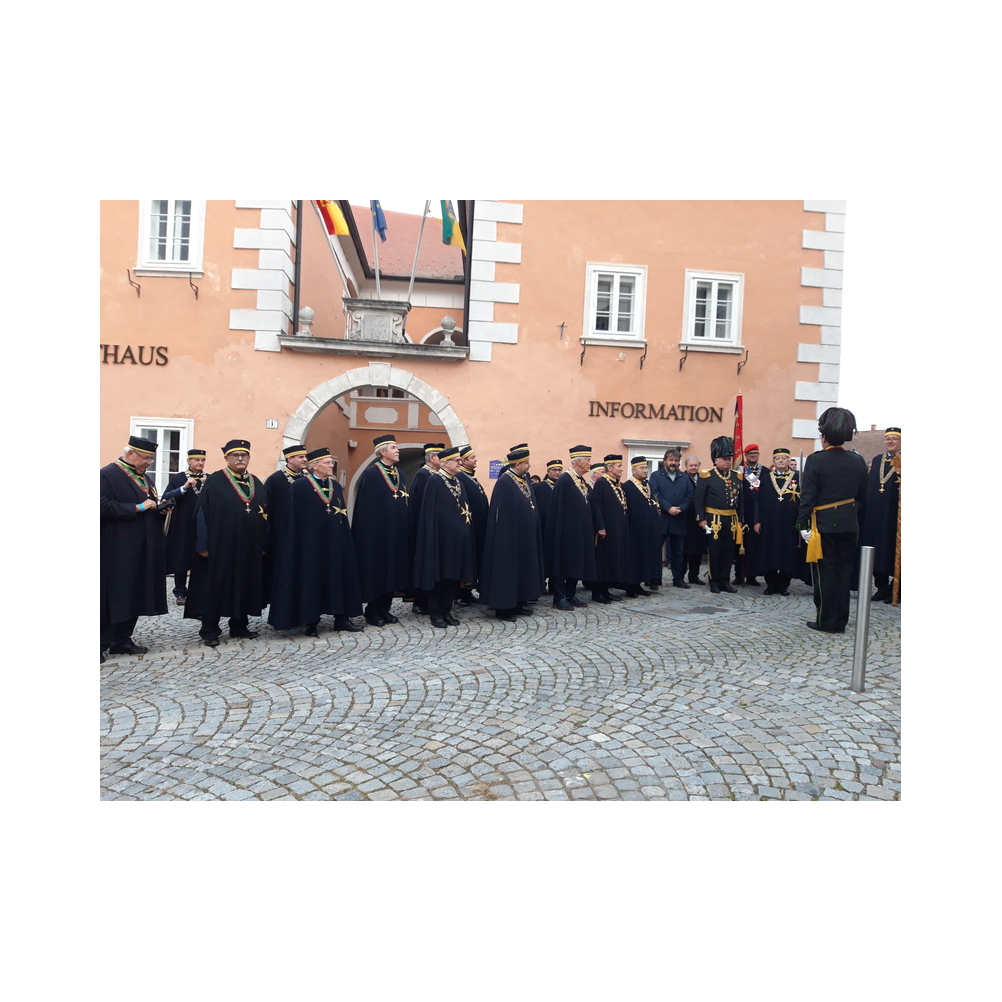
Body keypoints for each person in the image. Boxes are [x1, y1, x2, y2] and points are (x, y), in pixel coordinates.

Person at [268, 447, 363, 636]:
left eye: (331, 462)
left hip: (335, 541)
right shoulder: (300, 487)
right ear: (315, 465)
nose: (332, 465)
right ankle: (311, 621)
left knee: (340, 577)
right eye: (328, 462)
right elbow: (293, 519)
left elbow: (340, 511)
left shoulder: (335, 486)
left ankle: (342, 618)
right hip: (310, 544)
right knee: (311, 579)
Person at [183, 440, 268, 646]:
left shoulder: (256, 482)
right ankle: (210, 629)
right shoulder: (215, 481)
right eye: (235, 455)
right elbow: (201, 514)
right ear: (226, 458)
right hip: (220, 546)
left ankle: (239, 625)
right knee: (215, 586)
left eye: (244, 455)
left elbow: (265, 514)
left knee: (244, 584)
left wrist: (264, 544)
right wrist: (203, 545)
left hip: (249, 546)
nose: (240, 458)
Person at [796, 407, 869, 633]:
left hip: (823, 525)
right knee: (844, 573)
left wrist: (802, 524)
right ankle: (841, 621)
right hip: (850, 524)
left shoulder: (817, 460)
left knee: (825, 573)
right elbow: (863, 497)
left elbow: (808, 497)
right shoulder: (858, 460)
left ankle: (826, 621)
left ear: (824, 437)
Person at [100, 435, 169, 661]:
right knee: (117, 593)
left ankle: (122, 639)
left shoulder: (145, 477)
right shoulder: (108, 474)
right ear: (130, 453)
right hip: (119, 548)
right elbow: (104, 506)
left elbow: (151, 503)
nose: (149, 462)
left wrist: (159, 510)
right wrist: (138, 507)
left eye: (151, 458)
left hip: (144, 546)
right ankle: (103, 641)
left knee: (137, 591)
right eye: (146, 458)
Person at [412, 445, 476, 628]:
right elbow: (429, 513)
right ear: (445, 463)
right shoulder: (434, 481)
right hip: (440, 540)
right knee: (438, 576)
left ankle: (446, 610)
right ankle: (435, 612)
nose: (460, 463)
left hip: (457, 540)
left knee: (453, 576)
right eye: (456, 461)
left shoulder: (459, 482)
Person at [351, 434, 411, 627]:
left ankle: (385, 609)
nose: (397, 450)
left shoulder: (400, 474)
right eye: (394, 447)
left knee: (392, 571)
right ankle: (373, 611)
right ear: (382, 452)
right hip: (376, 534)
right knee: (377, 571)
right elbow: (365, 507)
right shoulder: (371, 474)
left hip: (396, 532)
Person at [479, 447, 545, 621]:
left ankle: (518, 602)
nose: (529, 465)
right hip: (508, 536)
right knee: (507, 571)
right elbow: (502, 513)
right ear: (518, 464)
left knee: (522, 569)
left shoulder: (523, 479)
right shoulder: (505, 482)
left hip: (524, 534)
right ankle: (503, 608)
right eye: (526, 463)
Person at [544, 445, 603, 610]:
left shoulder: (581, 481)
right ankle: (559, 597)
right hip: (566, 532)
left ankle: (570, 594)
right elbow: (559, 509)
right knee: (563, 565)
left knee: (577, 564)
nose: (590, 464)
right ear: (579, 461)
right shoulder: (565, 480)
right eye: (588, 461)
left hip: (580, 531)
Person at [694, 437, 744, 594]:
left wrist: (741, 520)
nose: (728, 462)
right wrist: (701, 519)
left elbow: (741, 501)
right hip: (713, 519)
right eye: (724, 459)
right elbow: (698, 500)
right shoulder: (706, 476)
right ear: (716, 460)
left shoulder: (737, 476)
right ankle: (714, 581)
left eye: (729, 459)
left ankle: (724, 581)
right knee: (715, 552)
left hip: (731, 519)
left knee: (728, 552)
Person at [753, 448, 803, 596]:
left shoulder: (798, 478)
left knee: (787, 554)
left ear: (789, 461)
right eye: (778, 458)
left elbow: (803, 501)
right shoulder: (766, 478)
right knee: (769, 552)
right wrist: (757, 521)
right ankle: (771, 584)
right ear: (773, 461)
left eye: (783, 458)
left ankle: (784, 584)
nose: (780, 460)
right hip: (769, 522)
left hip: (790, 523)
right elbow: (758, 501)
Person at [859, 427, 901, 603]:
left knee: (893, 549)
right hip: (875, 514)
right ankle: (882, 587)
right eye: (887, 439)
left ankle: (896, 588)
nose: (890, 441)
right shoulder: (877, 460)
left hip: (894, 515)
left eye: (894, 438)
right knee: (875, 549)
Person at [262, 444, 308, 600]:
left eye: (305, 457)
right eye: (301, 457)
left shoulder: (307, 479)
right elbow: (266, 510)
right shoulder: (275, 480)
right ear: (290, 459)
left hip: (302, 536)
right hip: (280, 536)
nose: (305, 460)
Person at [163, 448, 208, 605]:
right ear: (189, 461)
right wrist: (183, 488)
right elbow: (165, 497)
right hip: (182, 524)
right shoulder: (179, 478)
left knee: (201, 556)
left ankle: (198, 591)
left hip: (202, 525)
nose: (200, 463)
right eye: (196, 460)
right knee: (181, 557)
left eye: (202, 460)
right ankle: (180, 591)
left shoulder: (209, 478)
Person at [648, 448, 694, 589]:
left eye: (676, 460)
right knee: (655, 550)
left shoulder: (684, 477)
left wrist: (681, 509)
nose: (673, 463)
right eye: (671, 460)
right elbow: (655, 494)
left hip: (679, 519)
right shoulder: (656, 476)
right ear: (665, 461)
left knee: (678, 552)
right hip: (661, 519)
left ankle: (678, 578)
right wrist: (668, 508)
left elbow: (690, 495)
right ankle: (654, 579)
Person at [408, 443, 445, 615]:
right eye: (440, 456)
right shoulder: (423, 475)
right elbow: (419, 504)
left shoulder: (437, 475)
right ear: (432, 458)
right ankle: (419, 600)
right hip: (424, 526)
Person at [591, 454, 633, 602]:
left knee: (612, 561)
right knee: (603, 561)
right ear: (609, 468)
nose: (622, 469)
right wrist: (600, 526)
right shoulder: (602, 483)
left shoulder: (616, 484)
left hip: (618, 530)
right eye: (619, 466)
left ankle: (606, 590)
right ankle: (597, 593)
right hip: (606, 530)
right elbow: (595, 506)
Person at [623, 456, 664, 594]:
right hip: (635, 528)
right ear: (633, 470)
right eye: (642, 468)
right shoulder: (628, 486)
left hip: (650, 528)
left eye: (646, 468)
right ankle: (632, 585)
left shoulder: (648, 485)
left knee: (647, 555)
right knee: (636, 557)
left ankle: (643, 581)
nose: (645, 470)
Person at [457, 445, 489, 606]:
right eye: (472, 458)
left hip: (479, 526)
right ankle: (462, 592)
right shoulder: (461, 478)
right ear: (463, 461)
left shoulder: (471, 477)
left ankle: (468, 590)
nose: (476, 459)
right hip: (470, 525)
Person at [733, 444, 763, 586]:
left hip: (757, 514)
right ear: (744, 455)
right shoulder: (739, 471)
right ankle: (739, 575)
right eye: (750, 453)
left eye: (755, 453)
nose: (753, 455)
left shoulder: (766, 472)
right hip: (741, 512)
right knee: (739, 546)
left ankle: (752, 576)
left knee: (754, 547)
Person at [532, 459, 562, 594]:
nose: (557, 472)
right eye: (554, 470)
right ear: (548, 471)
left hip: (559, 528)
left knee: (557, 558)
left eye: (559, 470)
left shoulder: (563, 486)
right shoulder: (539, 487)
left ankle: (555, 585)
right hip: (544, 528)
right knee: (544, 556)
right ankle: (540, 584)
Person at [682, 456, 707, 584]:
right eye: (691, 465)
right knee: (684, 550)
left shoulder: (703, 479)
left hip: (700, 520)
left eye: (695, 465)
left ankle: (694, 576)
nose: (693, 467)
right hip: (685, 519)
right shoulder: (681, 478)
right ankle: (680, 577)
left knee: (697, 550)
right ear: (686, 466)